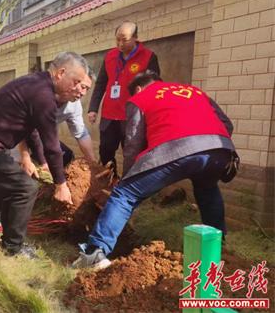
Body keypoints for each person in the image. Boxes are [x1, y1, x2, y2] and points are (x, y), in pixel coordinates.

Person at [72, 71, 237, 270]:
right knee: (208, 189)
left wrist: (128, 178)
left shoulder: (141, 98)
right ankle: (218, 248)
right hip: (219, 149)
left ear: (138, 89)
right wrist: (206, 145)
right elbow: (227, 123)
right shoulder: (193, 91)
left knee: (125, 195)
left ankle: (94, 254)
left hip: (174, 148)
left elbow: (133, 143)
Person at [0, 52, 91, 258]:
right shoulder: (43, 95)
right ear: (60, 73)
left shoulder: (37, 85)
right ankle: (13, 247)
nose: (79, 90)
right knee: (26, 187)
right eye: (76, 82)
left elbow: (33, 131)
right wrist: (61, 184)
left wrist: (41, 162)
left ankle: (3, 230)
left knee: (14, 183)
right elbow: (52, 144)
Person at [0, 71, 97, 227]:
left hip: (44, 138)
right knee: (10, 173)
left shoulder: (74, 103)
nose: (82, 93)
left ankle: (49, 195)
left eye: (87, 88)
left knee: (66, 156)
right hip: (16, 136)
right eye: (81, 86)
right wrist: (25, 158)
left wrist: (92, 163)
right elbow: (24, 130)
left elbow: (81, 134)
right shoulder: (40, 96)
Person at [88, 21, 160, 172]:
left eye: (125, 39)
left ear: (135, 38)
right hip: (109, 115)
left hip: (133, 116)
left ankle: (129, 190)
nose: (120, 44)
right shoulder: (110, 56)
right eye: (117, 40)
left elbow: (155, 88)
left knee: (133, 155)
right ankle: (109, 184)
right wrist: (93, 108)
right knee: (106, 152)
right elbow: (101, 83)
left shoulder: (148, 57)